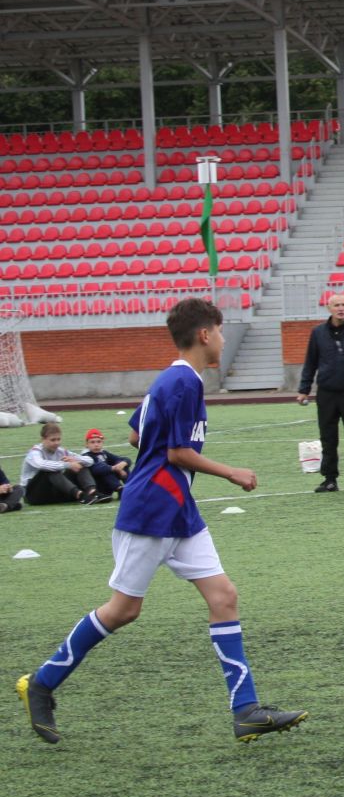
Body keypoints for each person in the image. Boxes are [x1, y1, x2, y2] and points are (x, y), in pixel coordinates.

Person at [16, 297, 306, 745]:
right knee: (123, 609)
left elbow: (136, 433)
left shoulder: (168, 379)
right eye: (221, 331)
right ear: (205, 335)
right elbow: (176, 452)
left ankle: (246, 710)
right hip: (152, 508)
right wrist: (233, 472)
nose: (224, 340)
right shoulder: (186, 383)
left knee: (224, 596)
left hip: (178, 508)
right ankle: (42, 682)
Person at [296, 292, 344, 493]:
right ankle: (330, 479)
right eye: (337, 305)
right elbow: (310, 362)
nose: (341, 308)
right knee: (328, 437)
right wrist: (304, 389)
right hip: (327, 393)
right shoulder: (318, 333)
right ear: (329, 308)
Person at [22, 424, 101, 505]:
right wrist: (67, 465)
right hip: (32, 495)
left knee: (79, 465)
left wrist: (75, 460)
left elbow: (90, 460)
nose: (57, 443)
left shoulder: (61, 451)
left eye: (58, 439)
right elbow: (40, 464)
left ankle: (93, 493)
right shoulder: (34, 452)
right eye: (53, 440)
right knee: (50, 470)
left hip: (52, 492)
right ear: (43, 440)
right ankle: (80, 495)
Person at [79, 428, 132, 498]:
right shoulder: (86, 456)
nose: (96, 445)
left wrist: (122, 464)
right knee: (105, 469)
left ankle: (131, 487)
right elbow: (96, 469)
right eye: (92, 442)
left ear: (102, 442)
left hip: (108, 485)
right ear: (86, 444)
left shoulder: (103, 453)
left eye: (98, 442)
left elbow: (124, 459)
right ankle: (119, 489)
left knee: (123, 465)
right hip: (98, 487)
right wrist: (115, 468)